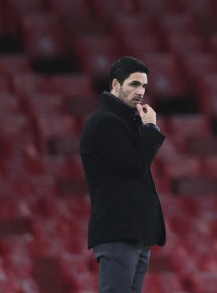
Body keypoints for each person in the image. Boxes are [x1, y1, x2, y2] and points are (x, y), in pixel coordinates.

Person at [79, 56, 166, 293]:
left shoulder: (125, 121)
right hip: (118, 231)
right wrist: (150, 129)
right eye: (134, 85)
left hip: (134, 232)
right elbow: (134, 165)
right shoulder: (104, 123)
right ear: (116, 85)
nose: (141, 92)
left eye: (144, 86)